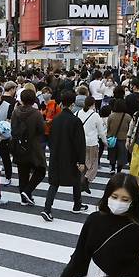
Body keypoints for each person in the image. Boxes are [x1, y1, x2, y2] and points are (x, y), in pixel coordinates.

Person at [41, 90, 87, 222]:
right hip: (71, 156)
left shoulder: (55, 120)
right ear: (72, 104)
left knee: (54, 183)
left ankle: (47, 209)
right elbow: (80, 143)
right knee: (76, 179)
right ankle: (77, 205)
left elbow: (49, 138)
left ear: (61, 104)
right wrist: (81, 160)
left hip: (56, 154)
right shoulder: (76, 121)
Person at [107, 98, 132, 174]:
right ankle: (119, 170)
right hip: (123, 139)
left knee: (112, 154)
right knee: (122, 156)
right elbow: (130, 128)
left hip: (112, 138)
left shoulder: (111, 116)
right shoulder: (128, 117)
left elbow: (108, 127)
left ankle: (112, 168)